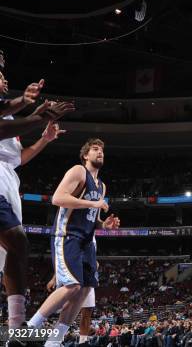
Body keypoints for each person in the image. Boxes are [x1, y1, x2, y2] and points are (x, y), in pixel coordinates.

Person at [0, 64, 75, 330]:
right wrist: (37, 115)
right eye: (0, 74)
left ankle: (15, 325)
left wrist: (44, 139)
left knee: (13, 249)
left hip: (7, 179)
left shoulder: (8, 115)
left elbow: (17, 158)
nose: (5, 78)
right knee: (17, 242)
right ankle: (17, 325)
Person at [27, 138, 120, 347]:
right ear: (85, 155)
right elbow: (58, 198)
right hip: (68, 235)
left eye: (102, 150)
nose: (100, 152)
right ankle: (26, 331)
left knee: (85, 289)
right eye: (95, 149)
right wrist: (92, 202)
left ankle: (54, 341)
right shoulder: (78, 171)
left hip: (87, 241)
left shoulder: (101, 186)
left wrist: (105, 225)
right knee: (72, 285)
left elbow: (91, 217)